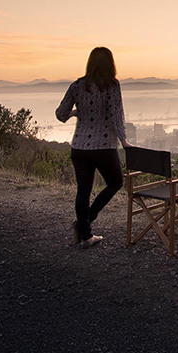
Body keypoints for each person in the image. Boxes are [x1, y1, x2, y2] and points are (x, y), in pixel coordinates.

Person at [56, 46, 127, 247]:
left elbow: (61, 114)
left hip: (79, 147)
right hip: (104, 146)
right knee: (115, 183)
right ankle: (85, 222)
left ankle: (85, 235)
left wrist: (77, 113)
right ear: (110, 64)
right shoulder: (112, 86)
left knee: (83, 191)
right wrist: (123, 140)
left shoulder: (77, 86)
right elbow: (116, 115)